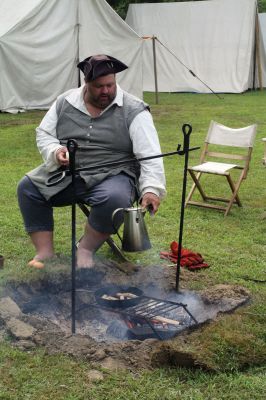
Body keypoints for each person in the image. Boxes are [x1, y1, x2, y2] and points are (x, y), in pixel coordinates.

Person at [17, 54, 166, 269]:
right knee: (28, 188)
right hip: (70, 171)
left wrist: (151, 189)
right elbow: (44, 133)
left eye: (110, 85)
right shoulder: (65, 102)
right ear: (86, 83)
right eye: (99, 86)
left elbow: (150, 154)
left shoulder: (134, 109)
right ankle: (44, 253)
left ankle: (85, 249)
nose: (106, 91)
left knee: (115, 199)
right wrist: (56, 150)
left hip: (115, 173)